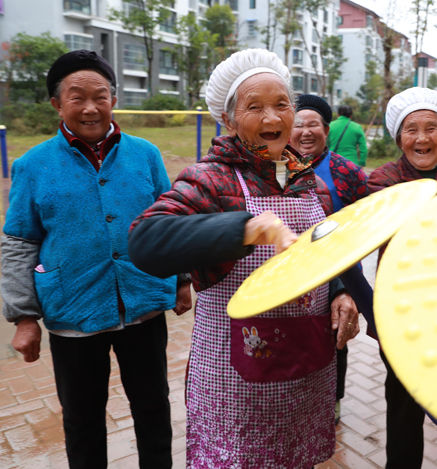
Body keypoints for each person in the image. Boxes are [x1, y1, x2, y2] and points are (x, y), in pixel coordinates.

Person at [127, 49, 361, 468]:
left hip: (307, 366)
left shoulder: (308, 181)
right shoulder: (210, 177)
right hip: (237, 376)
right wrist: (244, 229)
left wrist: (340, 290)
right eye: (255, 107)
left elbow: (322, 251)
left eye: (281, 104)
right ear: (230, 120)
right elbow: (146, 240)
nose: (272, 119)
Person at [0, 50, 190, 469]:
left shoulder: (145, 154)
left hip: (143, 303)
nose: (90, 107)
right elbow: (18, 241)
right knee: (82, 418)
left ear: (113, 99)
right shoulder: (32, 166)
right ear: (57, 103)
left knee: (153, 407)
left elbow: (169, 221)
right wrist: (24, 317)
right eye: (77, 97)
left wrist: (180, 280)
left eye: (100, 96)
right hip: (73, 310)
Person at [368, 87, 437, 469]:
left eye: (431, 128)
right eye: (410, 129)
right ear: (398, 138)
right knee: (403, 405)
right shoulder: (383, 180)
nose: (421, 138)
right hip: (403, 309)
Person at [290, 93, 370, 424]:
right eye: (298, 125)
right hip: (292, 269)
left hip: (338, 269)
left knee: (336, 337)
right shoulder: (275, 167)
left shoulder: (346, 171)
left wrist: (350, 282)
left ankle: (332, 400)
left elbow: (363, 227)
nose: (305, 132)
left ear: (326, 129)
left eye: (313, 125)